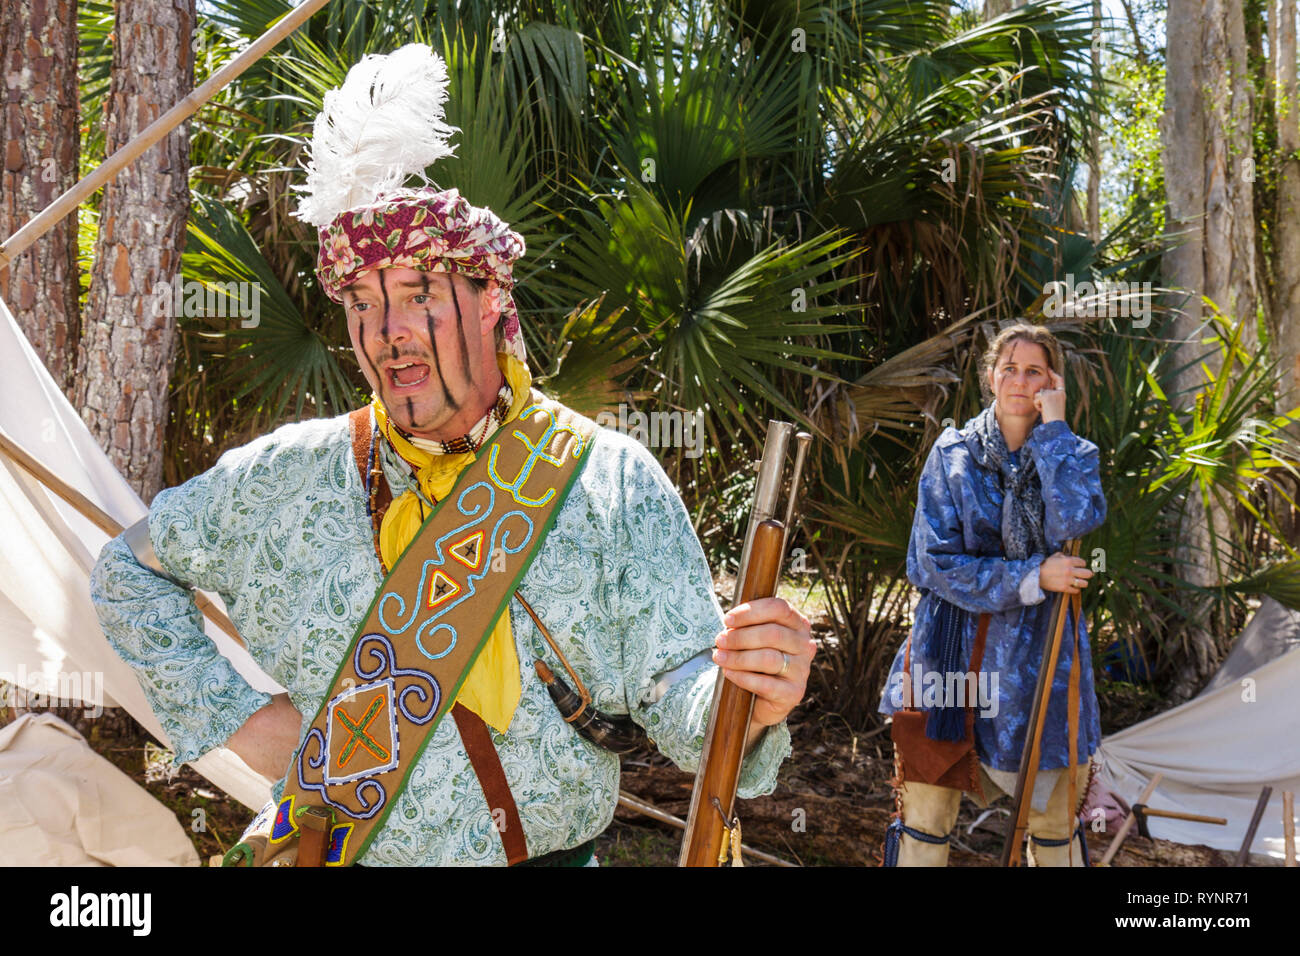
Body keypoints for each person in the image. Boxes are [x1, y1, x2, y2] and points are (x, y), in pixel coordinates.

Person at [88, 45, 814, 866]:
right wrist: (234, 717)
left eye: (419, 294)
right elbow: (128, 569)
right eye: (362, 302)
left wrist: (752, 697)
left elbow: (681, 701)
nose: (386, 332)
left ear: (491, 299)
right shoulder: (281, 478)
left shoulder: (607, 482)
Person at [878, 322, 1107, 866]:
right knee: (926, 819)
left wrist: (1053, 431)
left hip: (1043, 663)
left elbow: (1076, 516)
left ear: (1052, 382)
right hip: (951, 656)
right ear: (990, 377)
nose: (1020, 381)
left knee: (1053, 822)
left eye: (1035, 371)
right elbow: (932, 565)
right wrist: (1034, 577)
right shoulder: (952, 453)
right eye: (1010, 368)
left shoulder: (1074, 453)